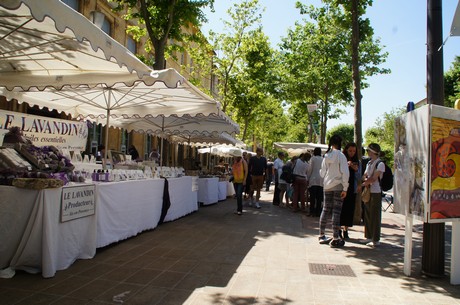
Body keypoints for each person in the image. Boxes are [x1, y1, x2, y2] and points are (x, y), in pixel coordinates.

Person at [318, 134, 349, 248]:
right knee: (336, 211)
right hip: (338, 185)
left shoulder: (326, 156)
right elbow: (345, 172)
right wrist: (345, 188)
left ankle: (321, 235)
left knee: (325, 209)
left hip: (327, 185)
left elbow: (322, 173)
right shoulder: (341, 156)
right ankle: (336, 237)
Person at [361, 143, 385, 248]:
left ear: (373, 151)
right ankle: (369, 236)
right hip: (368, 190)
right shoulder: (369, 163)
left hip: (376, 191)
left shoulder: (380, 164)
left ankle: (376, 239)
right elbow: (365, 176)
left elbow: (374, 178)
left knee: (375, 215)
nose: (368, 153)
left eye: (368, 151)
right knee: (367, 213)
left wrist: (364, 182)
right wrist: (366, 181)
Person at [340, 143, 361, 240]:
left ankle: (346, 230)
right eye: (350, 151)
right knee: (341, 209)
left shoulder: (357, 162)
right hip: (342, 188)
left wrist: (355, 169)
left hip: (352, 189)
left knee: (349, 210)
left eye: (354, 151)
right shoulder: (342, 160)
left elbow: (359, 176)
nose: (352, 153)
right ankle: (338, 229)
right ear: (346, 150)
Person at [308, 147, 324, 217]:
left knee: (312, 197)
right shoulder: (323, 159)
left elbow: (310, 169)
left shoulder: (313, 159)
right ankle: (318, 212)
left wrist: (308, 178)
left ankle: (312, 211)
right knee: (319, 198)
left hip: (313, 179)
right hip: (321, 180)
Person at [231, 149, 248, 215]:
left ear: (238, 156)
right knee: (238, 195)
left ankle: (239, 210)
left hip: (241, 181)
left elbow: (246, 171)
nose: (234, 157)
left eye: (235, 156)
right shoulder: (234, 161)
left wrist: (245, 180)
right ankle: (239, 209)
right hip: (235, 181)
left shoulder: (243, 162)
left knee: (239, 195)